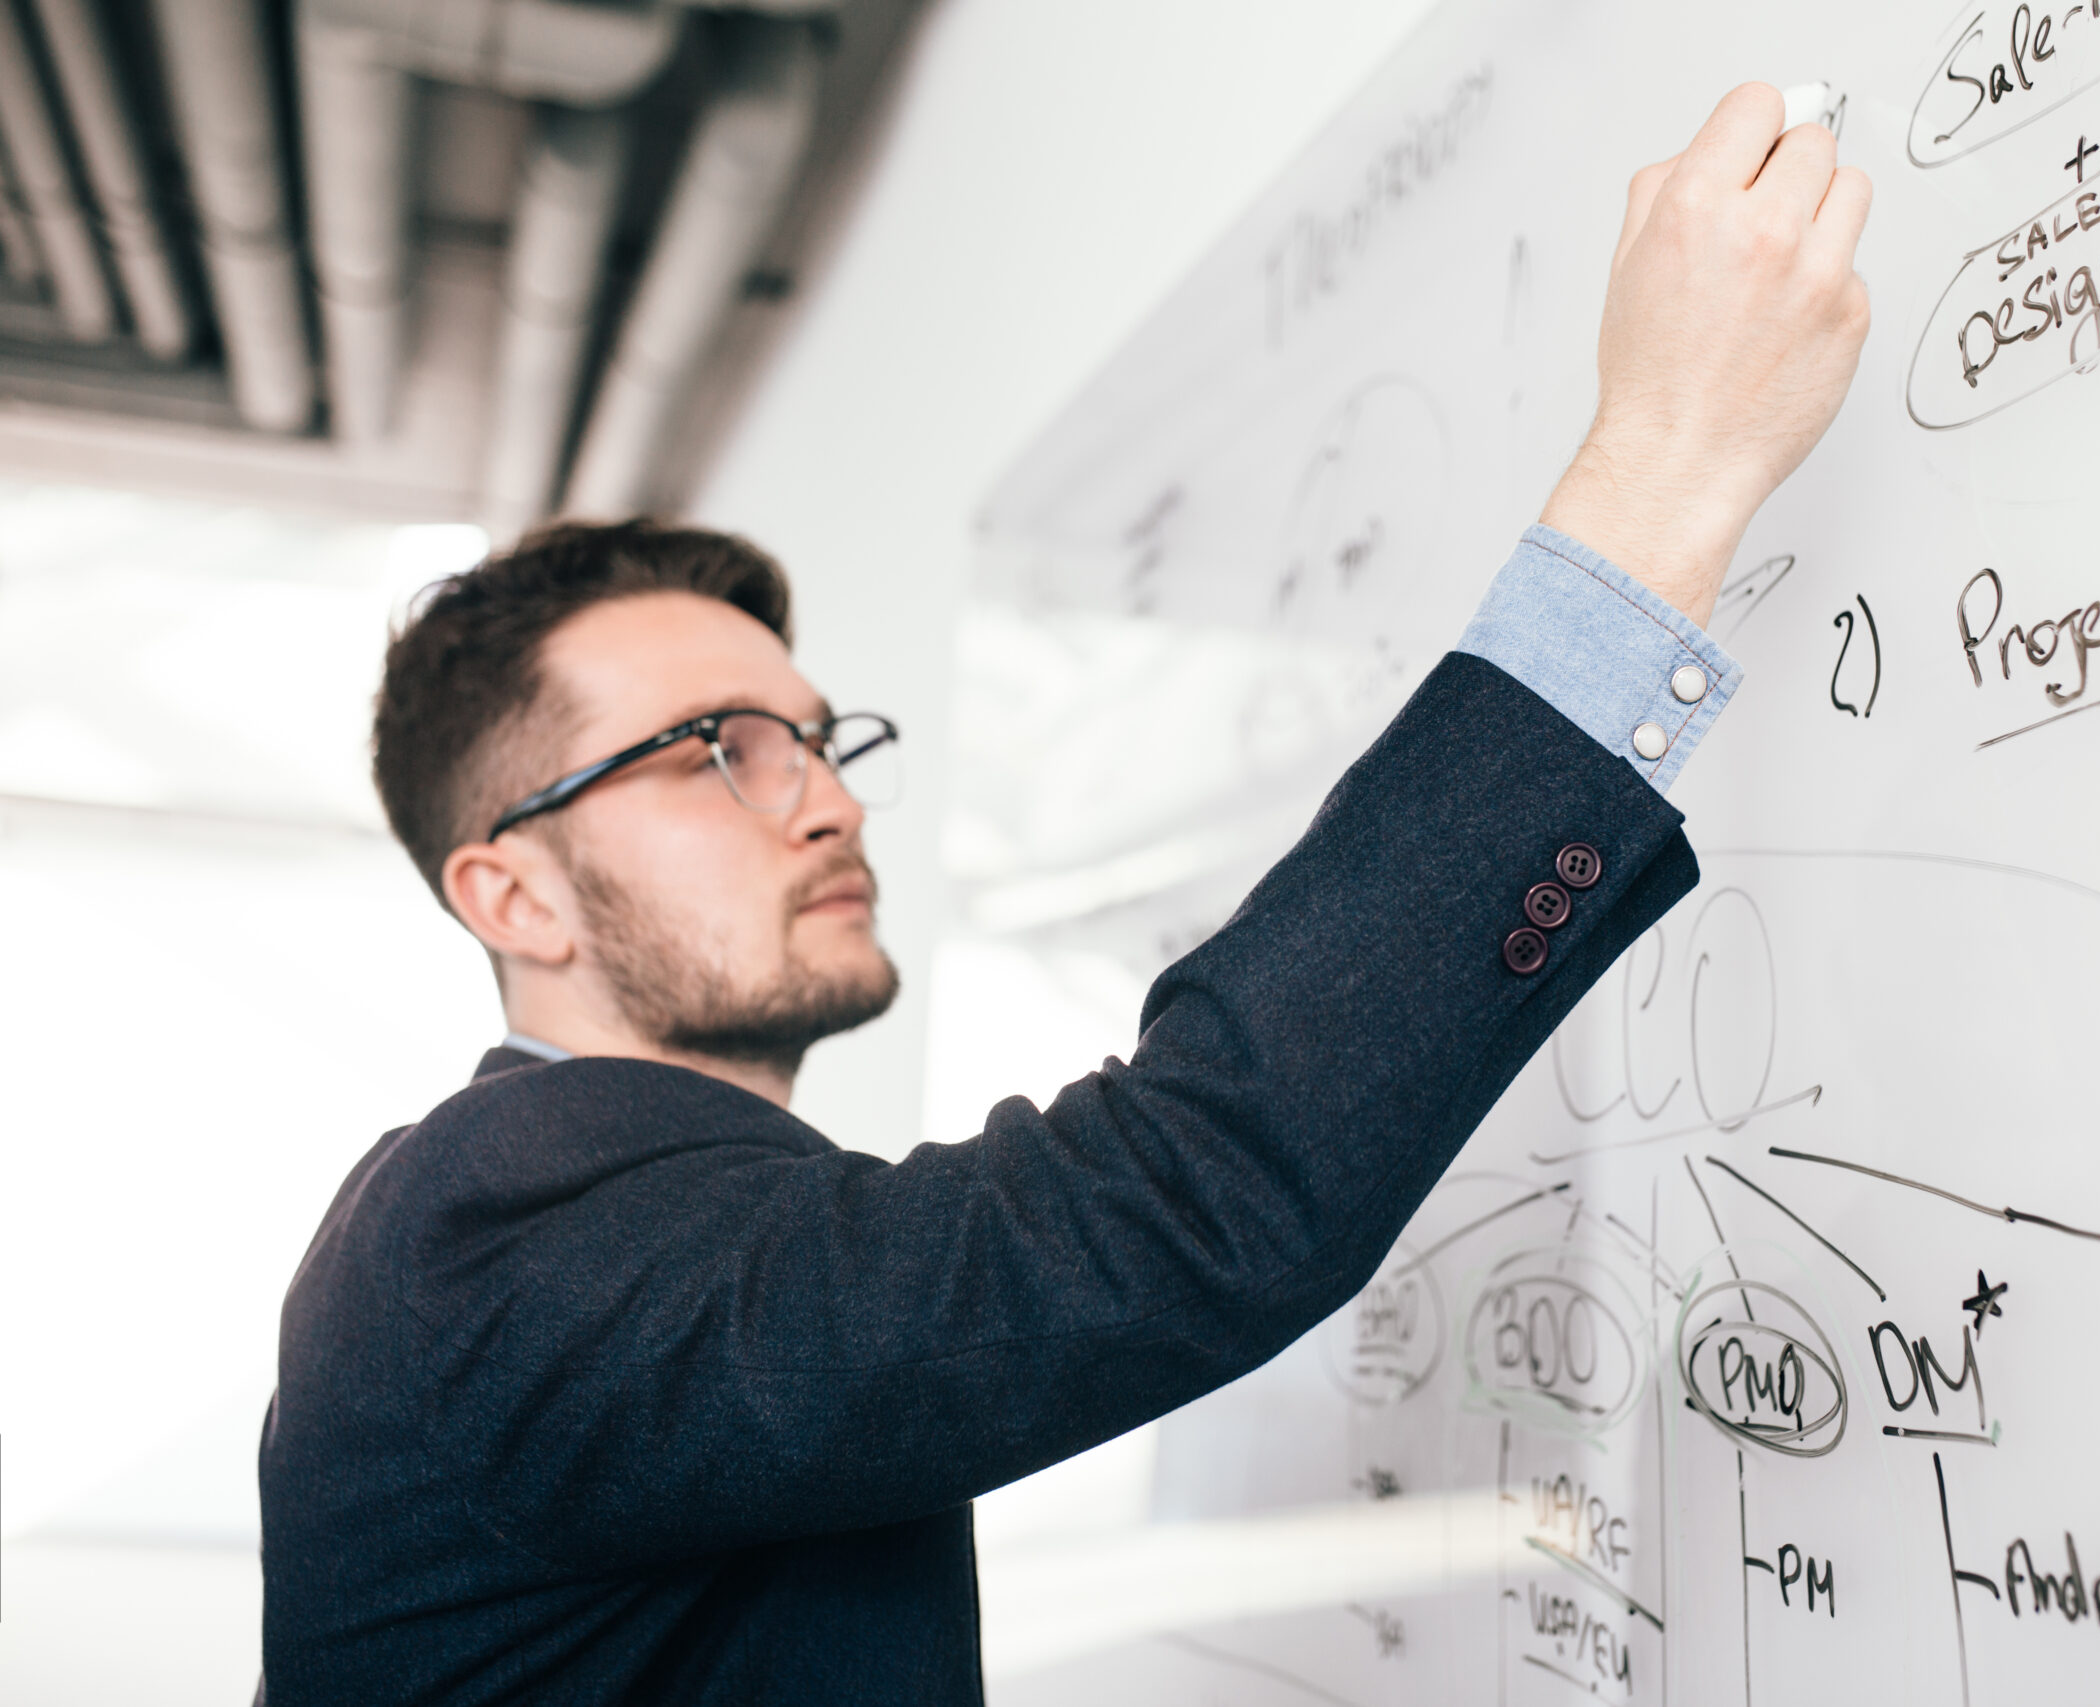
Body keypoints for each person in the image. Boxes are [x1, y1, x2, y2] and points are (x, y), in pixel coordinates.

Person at [258, 83, 1870, 1703]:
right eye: (717, 751)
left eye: (823, 742)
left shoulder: (611, 1234)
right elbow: (1185, 1192)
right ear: (511, 893)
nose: (824, 796)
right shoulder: (487, 1230)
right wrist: (1664, 463)